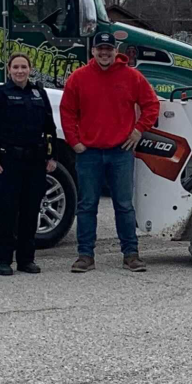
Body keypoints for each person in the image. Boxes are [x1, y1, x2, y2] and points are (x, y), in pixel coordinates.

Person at [60, 32, 160, 273]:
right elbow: (67, 111)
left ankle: (131, 254)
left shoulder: (132, 77)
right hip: (89, 153)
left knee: (124, 205)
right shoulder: (78, 78)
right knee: (87, 206)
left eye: (109, 49)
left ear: (116, 51)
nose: (104, 53)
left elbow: (151, 104)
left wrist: (138, 131)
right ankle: (85, 255)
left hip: (120, 152)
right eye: (100, 49)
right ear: (92, 51)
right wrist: (74, 142)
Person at [0, 53, 57, 276]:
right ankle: (3, 261)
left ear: (30, 69)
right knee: (6, 213)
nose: (20, 71)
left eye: (24, 67)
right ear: (9, 70)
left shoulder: (39, 93)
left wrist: (52, 157)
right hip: (8, 162)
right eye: (16, 67)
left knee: (31, 213)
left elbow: (50, 128)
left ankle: (26, 260)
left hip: (35, 162)